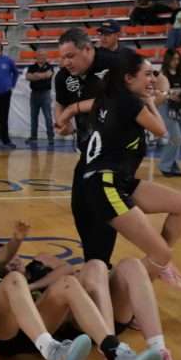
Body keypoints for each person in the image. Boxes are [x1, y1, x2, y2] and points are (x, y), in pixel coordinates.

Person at [55, 49, 181, 289]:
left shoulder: (110, 98)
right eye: (148, 75)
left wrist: (68, 111)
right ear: (129, 78)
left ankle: (160, 261)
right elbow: (160, 130)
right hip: (105, 184)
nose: (153, 80)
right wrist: (151, 102)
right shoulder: (129, 101)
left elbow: (83, 105)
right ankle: (132, 293)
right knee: (160, 253)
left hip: (115, 180)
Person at [0, 242, 181, 360]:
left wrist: (32, 285)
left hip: (99, 315)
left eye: (13, 254)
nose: (13, 259)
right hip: (69, 326)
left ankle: (158, 353)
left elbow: (67, 269)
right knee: (81, 275)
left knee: (122, 264)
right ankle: (113, 355)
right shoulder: (4, 285)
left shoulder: (40, 260)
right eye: (5, 258)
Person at [53, 28, 121, 264]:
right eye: (62, 57)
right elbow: (60, 103)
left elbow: (115, 101)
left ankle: (99, 265)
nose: (66, 62)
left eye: (70, 56)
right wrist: (61, 121)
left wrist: (74, 109)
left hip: (115, 151)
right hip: (89, 150)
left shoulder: (114, 65)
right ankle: (94, 263)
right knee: (80, 207)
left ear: (88, 49)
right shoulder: (63, 77)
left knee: (102, 208)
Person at [156, 49, 181, 177]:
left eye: (177, 59)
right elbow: (157, 92)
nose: (176, 61)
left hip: (179, 107)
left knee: (177, 139)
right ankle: (164, 165)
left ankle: (173, 166)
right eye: (173, 59)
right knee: (176, 137)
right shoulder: (162, 74)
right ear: (167, 59)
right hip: (166, 106)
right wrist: (169, 96)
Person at [24, 48, 54, 145]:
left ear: (46, 56)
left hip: (45, 94)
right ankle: (34, 137)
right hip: (34, 94)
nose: (42, 57)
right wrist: (41, 75)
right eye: (40, 55)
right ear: (36, 56)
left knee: (48, 117)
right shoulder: (32, 67)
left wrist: (35, 75)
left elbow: (47, 75)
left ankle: (50, 137)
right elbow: (28, 77)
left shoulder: (49, 66)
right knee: (33, 117)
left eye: (44, 55)